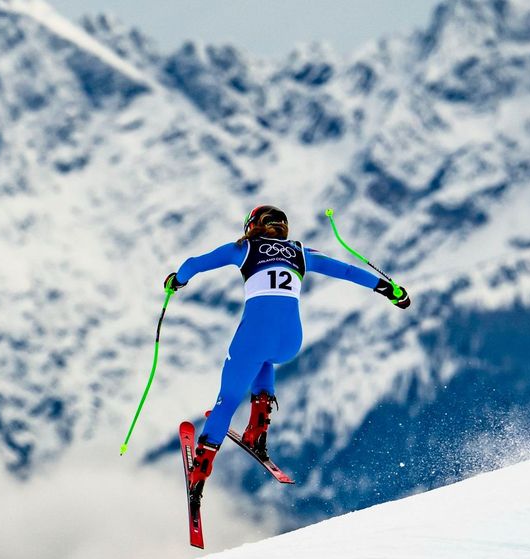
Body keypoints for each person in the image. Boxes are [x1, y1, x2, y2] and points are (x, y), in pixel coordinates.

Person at [164, 205, 410, 499]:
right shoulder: (300, 252)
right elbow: (345, 270)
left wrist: (176, 281)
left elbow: (194, 263)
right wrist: (390, 289)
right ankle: (258, 429)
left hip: (254, 338)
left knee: (227, 400)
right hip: (290, 341)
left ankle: (200, 472)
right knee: (265, 360)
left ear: (252, 226)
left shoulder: (242, 248)